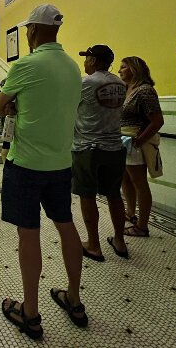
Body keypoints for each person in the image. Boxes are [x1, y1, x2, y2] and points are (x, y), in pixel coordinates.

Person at [0, 4, 87, 340]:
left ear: (33, 30)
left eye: (26, 30)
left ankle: (30, 312)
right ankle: (74, 300)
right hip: (61, 164)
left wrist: (18, 106)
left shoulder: (26, 64)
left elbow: (1, 104)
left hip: (25, 165)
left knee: (29, 233)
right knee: (66, 226)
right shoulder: (72, 67)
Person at [72, 45, 128, 261]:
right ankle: (120, 241)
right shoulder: (120, 83)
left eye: (87, 58)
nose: (85, 63)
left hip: (88, 147)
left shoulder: (86, 83)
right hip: (115, 146)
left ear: (94, 61)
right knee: (114, 195)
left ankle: (94, 245)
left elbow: (69, 106)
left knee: (87, 195)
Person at [118, 56, 164, 237]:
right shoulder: (126, 89)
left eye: (123, 67)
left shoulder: (145, 91)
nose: (119, 71)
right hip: (123, 141)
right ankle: (130, 213)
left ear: (134, 69)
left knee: (139, 182)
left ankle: (142, 226)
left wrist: (140, 140)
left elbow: (157, 121)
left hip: (135, 142)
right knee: (125, 179)